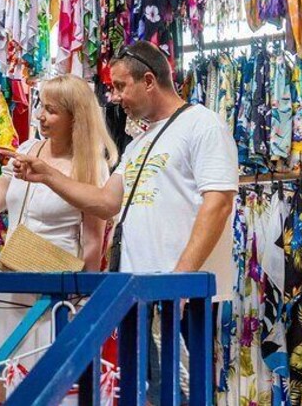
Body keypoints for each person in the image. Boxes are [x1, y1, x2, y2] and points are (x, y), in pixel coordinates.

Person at [13, 41, 239, 402]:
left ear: (148, 80)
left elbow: (219, 204)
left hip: (177, 297)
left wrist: (180, 280)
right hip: (138, 296)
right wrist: (46, 175)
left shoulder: (202, 125)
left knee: (178, 391)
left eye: (120, 86)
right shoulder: (137, 144)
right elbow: (105, 202)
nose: (114, 97)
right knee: (147, 393)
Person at [0, 75, 118, 388]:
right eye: (40, 105)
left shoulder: (91, 166)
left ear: (74, 118)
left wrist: (82, 304)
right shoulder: (28, 149)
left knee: (49, 384)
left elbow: (94, 242)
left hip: (57, 293)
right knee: (1, 378)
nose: (39, 115)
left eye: (50, 110)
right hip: (12, 283)